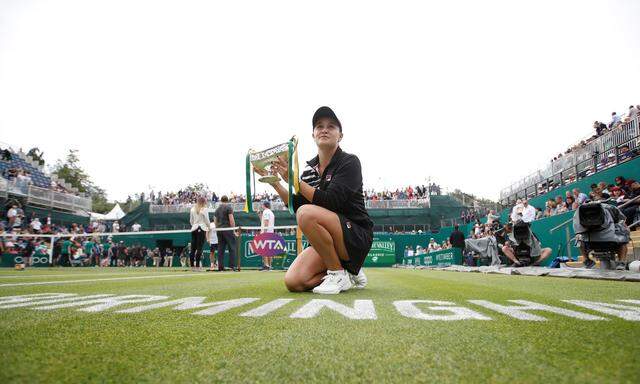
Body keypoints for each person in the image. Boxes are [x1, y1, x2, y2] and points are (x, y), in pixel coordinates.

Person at [255, 106, 373, 294]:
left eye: (331, 126)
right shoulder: (309, 171)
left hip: (356, 236)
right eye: (319, 126)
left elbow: (331, 202)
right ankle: (349, 272)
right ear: (313, 135)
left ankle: (337, 273)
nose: (324, 129)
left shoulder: (350, 162)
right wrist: (275, 183)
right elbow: (298, 207)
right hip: (328, 241)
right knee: (294, 281)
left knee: (307, 214)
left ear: (340, 136)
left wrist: (294, 180)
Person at [214, 195, 237, 271]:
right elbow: (231, 219)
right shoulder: (229, 208)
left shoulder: (217, 209)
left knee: (220, 249)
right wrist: (233, 230)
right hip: (227, 229)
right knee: (232, 248)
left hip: (219, 230)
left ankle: (220, 266)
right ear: (227, 201)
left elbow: (215, 221)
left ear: (221, 200)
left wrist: (218, 229)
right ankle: (232, 266)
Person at [189, 196, 210, 271]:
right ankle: (197, 266)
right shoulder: (205, 209)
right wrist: (209, 227)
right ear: (204, 202)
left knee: (193, 248)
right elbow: (207, 220)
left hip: (194, 229)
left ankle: (192, 266)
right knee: (199, 248)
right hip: (201, 228)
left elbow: (191, 221)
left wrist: (194, 225)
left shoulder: (192, 209)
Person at [260, 200, 275, 271]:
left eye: (262, 205)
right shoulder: (271, 212)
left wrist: (264, 232)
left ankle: (266, 265)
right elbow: (264, 221)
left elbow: (266, 222)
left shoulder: (265, 212)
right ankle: (270, 266)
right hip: (271, 232)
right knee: (269, 250)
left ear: (264, 205)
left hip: (266, 232)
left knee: (264, 249)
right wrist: (260, 216)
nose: (261, 206)